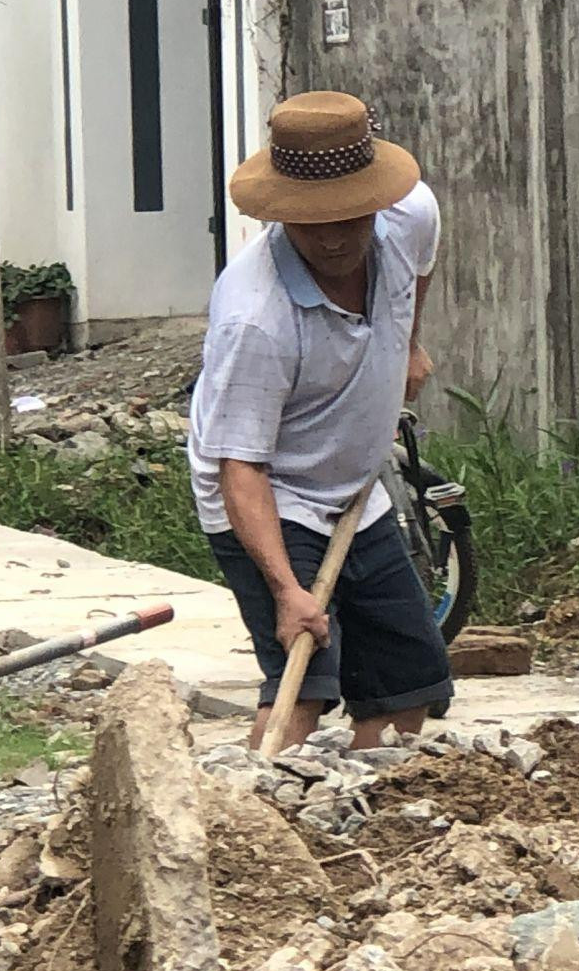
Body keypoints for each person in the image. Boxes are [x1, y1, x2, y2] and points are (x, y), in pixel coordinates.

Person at [188, 91, 453, 752]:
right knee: (302, 690)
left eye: (348, 217)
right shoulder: (256, 317)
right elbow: (240, 469)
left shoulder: (410, 215)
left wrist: (407, 344)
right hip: (269, 495)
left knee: (407, 686)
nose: (333, 237)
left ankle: (362, 826)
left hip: (354, 489)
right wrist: (286, 590)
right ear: (283, 214)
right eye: (312, 223)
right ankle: (251, 834)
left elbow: (415, 271)